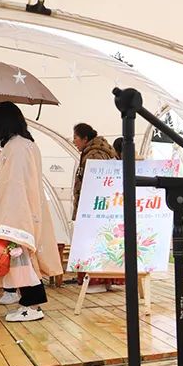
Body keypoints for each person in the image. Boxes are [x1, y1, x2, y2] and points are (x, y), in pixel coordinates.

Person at [0, 101, 64, 322]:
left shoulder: (18, 147)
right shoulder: (21, 145)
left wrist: (10, 218)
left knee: (22, 261)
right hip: (20, 211)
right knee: (21, 262)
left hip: (17, 213)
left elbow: (16, 184)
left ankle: (32, 305)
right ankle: (28, 303)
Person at [70, 122, 119, 293]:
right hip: (100, 208)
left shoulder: (95, 154)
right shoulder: (99, 151)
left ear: (85, 138)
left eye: (76, 137)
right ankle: (104, 280)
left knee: (93, 243)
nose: (74, 141)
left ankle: (96, 281)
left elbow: (97, 185)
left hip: (94, 209)